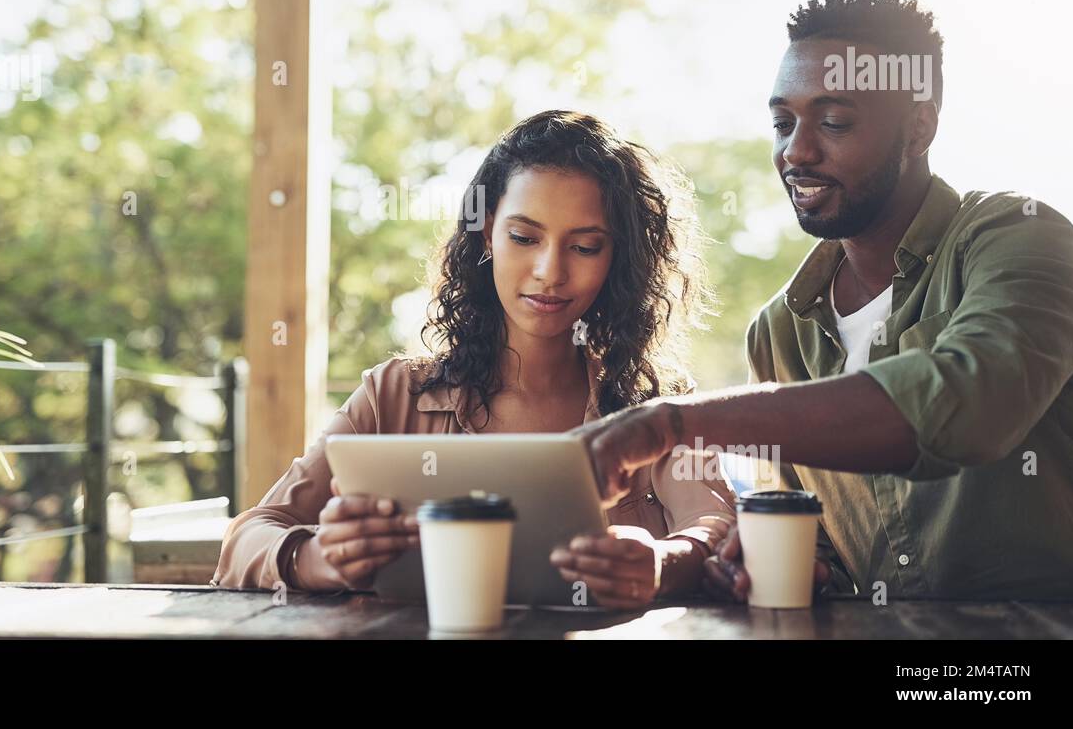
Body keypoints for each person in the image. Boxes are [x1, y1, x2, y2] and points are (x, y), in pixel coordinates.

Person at [572, 0, 1073, 600]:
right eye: (783, 123)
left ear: (918, 128)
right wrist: (768, 560)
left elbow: (968, 403)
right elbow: (819, 545)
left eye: (834, 121)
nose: (796, 151)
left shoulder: (1018, 235)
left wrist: (674, 423)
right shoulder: (779, 332)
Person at [214, 110, 735, 606]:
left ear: (618, 257)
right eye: (524, 237)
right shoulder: (393, 397)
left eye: (585, 247)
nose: (549, 272)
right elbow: (248, 537)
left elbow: (718, 528)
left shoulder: (656, 408)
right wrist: (316, 559)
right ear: (487, 232)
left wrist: (664, 562)